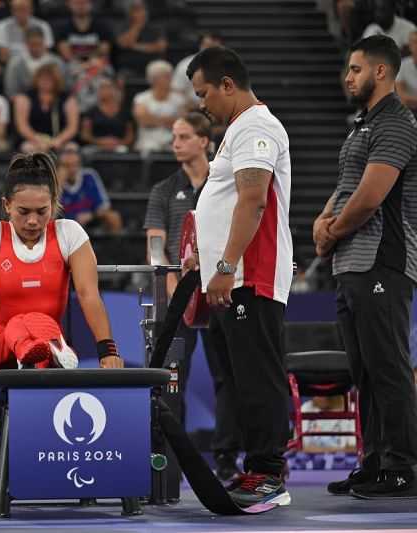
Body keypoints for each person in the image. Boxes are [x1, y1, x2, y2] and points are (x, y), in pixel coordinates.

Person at [185, 46, 293, 507]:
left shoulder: (257, 127)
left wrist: (226, 266)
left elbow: (255, 201)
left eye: (204, 93)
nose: (202, 104)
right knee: (240, 380)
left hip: (252, 276)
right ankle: (255, 470)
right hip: (232, 277)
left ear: (228, 84)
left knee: (258, 377)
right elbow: (227, 203)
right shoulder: (237, 131)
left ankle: (269, 473)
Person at [314, 35, 417, 500]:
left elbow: (372, 195)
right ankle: (375, 462)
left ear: (380, 72)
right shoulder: (361, 125)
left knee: (389, 367)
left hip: (383, 260)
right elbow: (347, 184)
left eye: (355, 69)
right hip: (351, 264)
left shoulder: (396, 122)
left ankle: (404, 467)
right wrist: (322, 220)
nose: (347, 77)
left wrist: (332, 231)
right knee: (365, 371)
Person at [0, 152, 125, 372]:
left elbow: (88, 294)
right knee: (17, 322)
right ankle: (38, 351)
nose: (33, 221)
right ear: (7, 205)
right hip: (1, 345)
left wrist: (107, 350)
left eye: (42, 212)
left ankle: (38, 354)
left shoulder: (69, 233)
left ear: (53, 204)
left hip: (50, 334)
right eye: (23, 212)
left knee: (32, 322)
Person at [143, 112, 242, 481]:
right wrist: (175, 289)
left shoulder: (226, 183)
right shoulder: (164, 190)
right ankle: (172, 459)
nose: (176, 144)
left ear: (204, 140)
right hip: (177, 300)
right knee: (171, 380)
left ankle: (228, 460)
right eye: (173, 137)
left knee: (227, 378)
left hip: (220, 294)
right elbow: (155, 248)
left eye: (183, 136)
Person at [58, 142, 123, 234]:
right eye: (67, 165)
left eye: (74, 164)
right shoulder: (55, 181)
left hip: (90, 219)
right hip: (65, 223)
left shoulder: (89, 175)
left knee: (113, 217)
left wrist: (91, 215)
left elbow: (105, 205)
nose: (71, 169)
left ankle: (116, 247)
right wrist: (59, 183)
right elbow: (51, 211)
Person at [13, 62, 79, 152]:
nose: (45, 82)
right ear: (36, 79)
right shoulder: (24, 98)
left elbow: (72, 127)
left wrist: (58, 140)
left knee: (71, 149)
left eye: (49, 79)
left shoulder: (67, 99)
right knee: (29, 149)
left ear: (56, 81)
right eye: (42, 78)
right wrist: (38, 140)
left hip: (60, 140)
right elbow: (22, 126)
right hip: (32, 140)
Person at [133, 59, 184, 156]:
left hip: (172, 142)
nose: (170, 79)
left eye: (170, 76)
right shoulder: (141, 98)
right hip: (147, 144)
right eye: (166, 76)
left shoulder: (179, 99)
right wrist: (170, 121)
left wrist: (154, 119)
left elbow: (183, 123)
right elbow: (144, 120)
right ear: (154, 79)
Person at [3, 26, 66, 99]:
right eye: (32, 45)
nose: (36, 48)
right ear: (26, 44)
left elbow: (63, 87)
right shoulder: (15, 63)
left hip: (52, 101)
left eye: (39, 44)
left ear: (44, 42)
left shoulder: (56, 62)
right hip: (24, 103)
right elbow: (11, 91)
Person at [79, 78, 134, 154]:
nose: (105, 91)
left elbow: (130, 135)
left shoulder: (125, 112)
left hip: (119, 146)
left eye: (108, 87)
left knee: (124, 151)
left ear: (115, 90)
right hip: (96, 146)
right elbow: (85, 135)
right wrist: (100, 142)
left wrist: (118, 142)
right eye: (102, 88)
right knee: (87, 152)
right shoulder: (91, 112)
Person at [172, 31, 224, 110]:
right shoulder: (185, 65)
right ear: (201, 46)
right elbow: (176, 90)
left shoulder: (229, 65)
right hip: (191, 109)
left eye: (214, 46)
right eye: (207, 46)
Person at [0, 0, 54, 66]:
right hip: (11, 65)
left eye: (24, 9)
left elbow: (46, 52)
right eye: (17, 9)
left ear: (31, 10)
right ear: (12, 11)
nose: (21, 12)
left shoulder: (42, 25)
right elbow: (3, 55)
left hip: (38, 64)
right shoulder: (2, 25)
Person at [396, 31, 417, 114]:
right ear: (410, 46)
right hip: (409, 111)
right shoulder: (403, 65)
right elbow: (401, 96)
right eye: (415, 42)